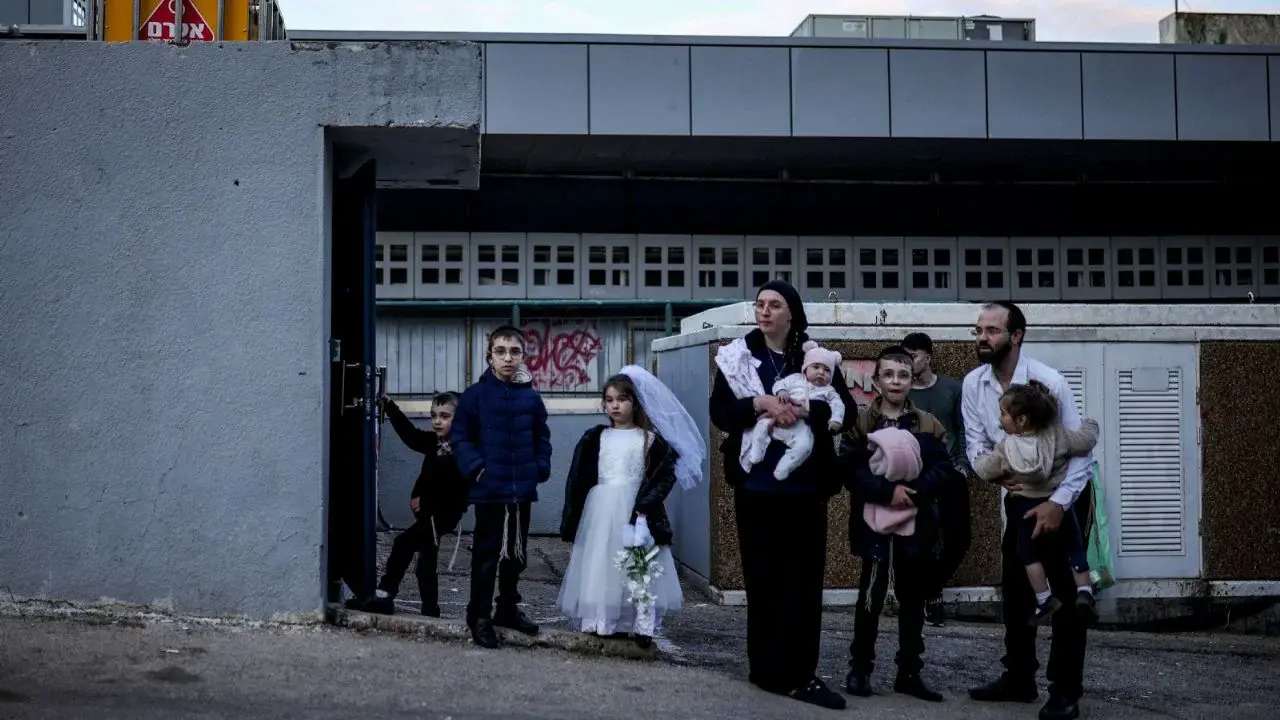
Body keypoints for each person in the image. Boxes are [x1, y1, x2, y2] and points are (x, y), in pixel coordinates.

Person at [709, 279, 855, 711]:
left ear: (792, 313)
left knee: (803, 583)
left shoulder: (816, 357)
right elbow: (720, 413)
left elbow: (842, 411)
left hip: (805, 489)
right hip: (756, 487)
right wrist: (761, 404)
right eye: (760, 304)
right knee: (763, 579)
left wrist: (806, 408)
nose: (765, 311)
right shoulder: (738, 357)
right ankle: (766, 669)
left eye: (774, 305)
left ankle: (802, 674)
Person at [962, 301, 1095, 720]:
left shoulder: (1047, 382)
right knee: (1018, 590)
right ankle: (1019, 679)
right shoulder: (973, 384)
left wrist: (1058, 505)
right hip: (1020, 497)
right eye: (979, 330)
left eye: (992, 331)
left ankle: (1065, 691)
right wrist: (996, 476)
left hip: (1064, 495)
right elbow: (976, 445)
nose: (983, 338)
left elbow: (1079, 451)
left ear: (1016, 336)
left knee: (1068, 598)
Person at [557, 366, 705, 648]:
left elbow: (665, 475)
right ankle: (601, 619)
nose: (615, 405)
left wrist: (646, 505)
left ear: (635, 403)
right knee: (601, 565)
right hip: (600, 510)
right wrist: (571, 522)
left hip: (635, 513)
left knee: (638, 568)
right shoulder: (595, 438)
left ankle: (639, 623)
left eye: (622, 399)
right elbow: (577, 480)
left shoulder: (648, 439)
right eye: (610, 399)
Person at [840, 346, 955, 703]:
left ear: (912, 380)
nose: (895, 381)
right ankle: (860, 669)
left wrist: (916, 493)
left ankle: (909, 673)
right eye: (888, 374)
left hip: (916, 524)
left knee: (912, 598)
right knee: (870, 598)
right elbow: (849, 468)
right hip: (874, 523)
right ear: (875, 380)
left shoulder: (928, 424)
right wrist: (886, 491)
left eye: (902, 375)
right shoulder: (861, 423)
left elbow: (943, 469)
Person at [451, 325, 553, 649]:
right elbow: (460, 437)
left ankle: (507, 609)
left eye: (514, 351)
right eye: (500, 351)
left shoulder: (531, 397)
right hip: (490, 491)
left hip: (521, 491)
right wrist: (478, 470)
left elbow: (542, 438)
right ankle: (478, 616)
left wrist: (539, 468)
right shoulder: (475, 396)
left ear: (523, 356)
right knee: (487, 555)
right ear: (490, 356)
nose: (507, 358)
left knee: (516, 555)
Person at [974, 381, 1101, 625]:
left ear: (1021, 420)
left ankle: (1044, 598)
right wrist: (1090, 424)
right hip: (1056, 504)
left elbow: (986, 470)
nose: (1000, 420)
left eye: (1003, 414)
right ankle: (1084, 591)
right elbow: (1086, 441)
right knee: (1073, 546)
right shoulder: (1058, 437)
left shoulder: (1006, 449)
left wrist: (983, 463)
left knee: (1028, 553)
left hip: (1025, 506)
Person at [366, 391, 469, 617]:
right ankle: (430, 609)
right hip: (428, 515)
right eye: (433, 416)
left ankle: (385, 594)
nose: (437, 421)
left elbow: (456, 487)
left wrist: (426, 500)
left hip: (440, 516)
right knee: (426, 561)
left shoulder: (461, 450)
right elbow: (411, 436)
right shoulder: (436, 442)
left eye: (444, 416)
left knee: (403, 544)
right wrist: (390, 407)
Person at [902, 332, 972, 627]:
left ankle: (931, 586)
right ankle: (932, 597)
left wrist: (963, 467)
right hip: (917, 476)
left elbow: (965, 429)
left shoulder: (953, 389)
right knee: (924, 539)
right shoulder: (902, 392)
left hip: (951, 473)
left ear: (927, 357)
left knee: (959, 538)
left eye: (913, 356)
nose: (907, 363)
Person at [743, 341, 846, 480]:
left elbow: (839, 405)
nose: (821, 372)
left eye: (827, 370)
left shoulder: (829, 391)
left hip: (801, 427)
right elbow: (780, 383)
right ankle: (756, 453)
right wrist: (782, 391)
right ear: (805, 369)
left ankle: (783, 468)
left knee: (805, 445)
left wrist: (836, 420)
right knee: (761, 426)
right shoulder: (795, 379)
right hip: (776, 421)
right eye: (816, 367)